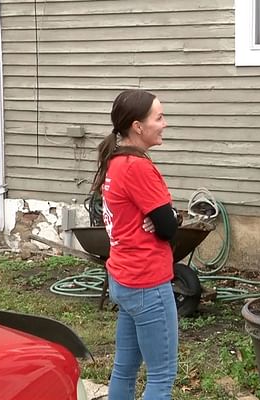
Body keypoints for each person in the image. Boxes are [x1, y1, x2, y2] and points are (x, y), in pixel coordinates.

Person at [91, 89, 179, 400]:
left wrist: (163, 217)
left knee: (125, 368)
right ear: (138, 127)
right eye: (159, 117)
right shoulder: (139, 167)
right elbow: (168, 227)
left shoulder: (116, 162)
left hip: (123, 279)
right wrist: (170, 218)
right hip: (147, 282)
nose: (164, 123)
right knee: (161, 375)